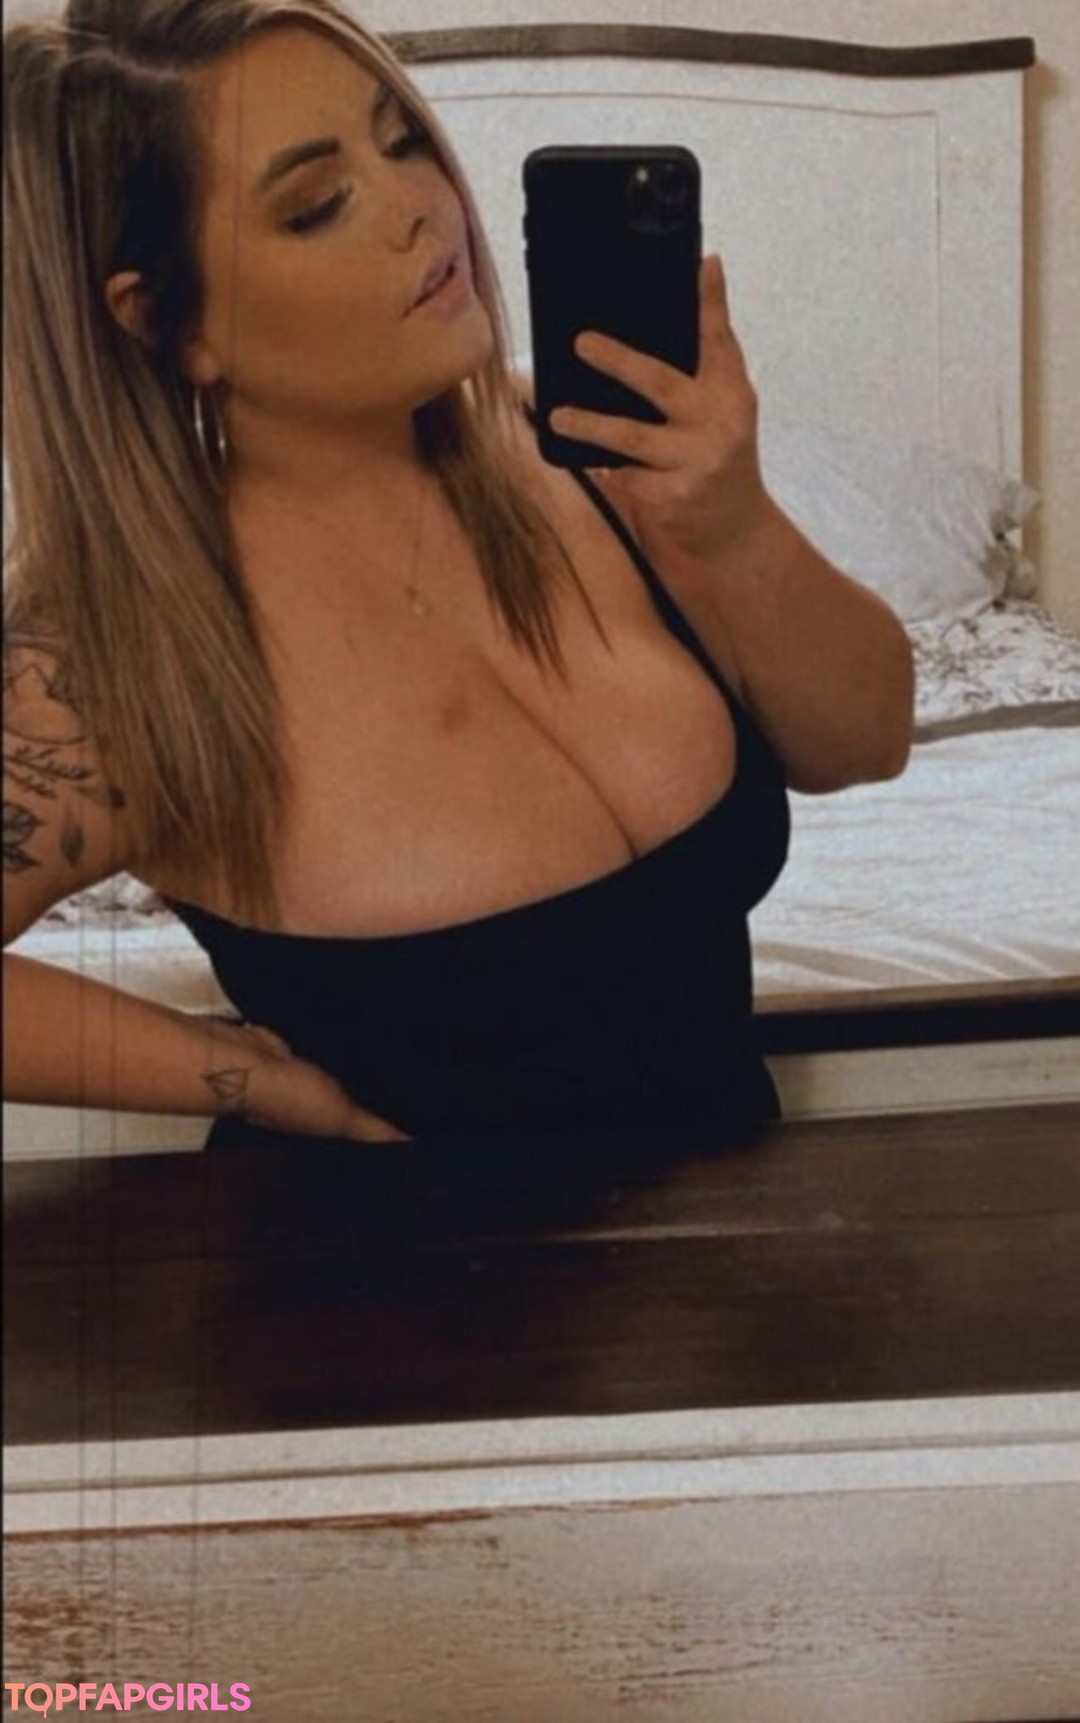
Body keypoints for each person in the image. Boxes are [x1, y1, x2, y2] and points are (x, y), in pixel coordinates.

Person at [2, 0, 914, 1147]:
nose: (417, 207)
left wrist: (733, 524)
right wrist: (241, 1076)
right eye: (318, 203)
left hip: (746, 1241)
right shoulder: (122, 654)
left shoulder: (593, 454)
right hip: (377, 1263)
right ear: (169, 323)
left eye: (402, 141)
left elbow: (865, 742)